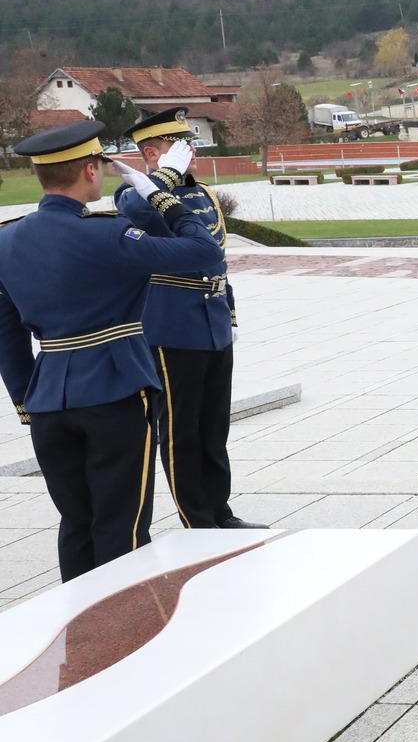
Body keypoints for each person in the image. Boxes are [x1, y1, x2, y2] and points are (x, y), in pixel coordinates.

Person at [0, 118, 226, 578]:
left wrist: (26, 398)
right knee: (121, 527)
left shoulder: (6, 240)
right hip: (114, 393)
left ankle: (80, 638)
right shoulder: (106, 235)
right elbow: (204, 252)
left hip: (47, 402)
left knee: (77, 524)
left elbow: (6, 332)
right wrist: (162, 194)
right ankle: (121, 639)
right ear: (89, 171)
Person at [111, 109, 261, 528]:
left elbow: (219, 257)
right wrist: (165, 178)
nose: (190, 150)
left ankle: (220, 511)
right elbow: (134, 213)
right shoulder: (134, 194)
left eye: (188, 143)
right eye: (178, 146)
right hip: (171, 325)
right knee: (180, 431)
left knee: (214, 427)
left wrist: (227, 311)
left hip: (212, 322)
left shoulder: (204, 195)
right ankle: (197, 518)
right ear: (152, 153)